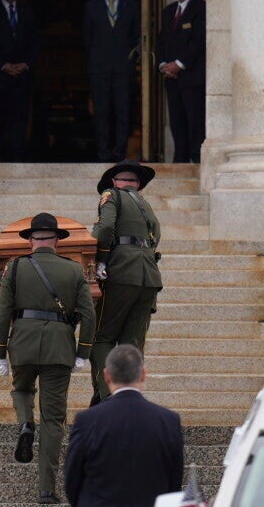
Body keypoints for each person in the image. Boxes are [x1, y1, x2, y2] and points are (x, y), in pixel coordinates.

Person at [0, 212, 96, 505]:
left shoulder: (15, 269)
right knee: (53, 420)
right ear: (56, 242)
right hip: (59, 348)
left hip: (23, 344)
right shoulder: (73, 270)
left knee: (22, 389)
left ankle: (26, 423)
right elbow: (88, 316)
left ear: (30, 241)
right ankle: (46, 489)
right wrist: (83, 352)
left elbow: (3, 312)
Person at [63, 345, 184, 507]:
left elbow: (72, 480)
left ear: (107, 376)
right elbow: (174, 480)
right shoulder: (168, 421)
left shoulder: (87, 420)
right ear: (143, 375)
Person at [89, 162, 162, 404]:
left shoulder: (111, 195)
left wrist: (100, 258)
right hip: (149, 277)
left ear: (114, 182)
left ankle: (108, 395)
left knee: (101, 337)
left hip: (121, 272)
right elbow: (156, 236)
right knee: (132, 343)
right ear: (138, 184)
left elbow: (106, 227)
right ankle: (130, 397)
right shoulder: (145, 204)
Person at [82, 0, 141, 163]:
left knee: (123, 112)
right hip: (99, 69)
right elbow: (87, 40)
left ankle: (120, 153)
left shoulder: (132, 5)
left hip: (124, 69)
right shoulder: (91, 6)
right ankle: (103, 154)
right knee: (102, 114)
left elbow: (137, 38)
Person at [0, 0, 39, 162]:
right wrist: (2, 65)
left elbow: (35, 42)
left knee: (19, 121)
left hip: (21, 78)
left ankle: (16, 158)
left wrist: (26, 63)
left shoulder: (27, 12)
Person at [156, 0, 205, 164]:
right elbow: (160, 42)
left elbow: (198, 42)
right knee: (177, 123)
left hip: (191, 78)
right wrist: (163, 65)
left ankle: (196, 160)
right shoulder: (168, 11)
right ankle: (181, 161)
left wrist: (179, 64)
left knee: (194, 122)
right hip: (172, 79)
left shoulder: (201, 8)